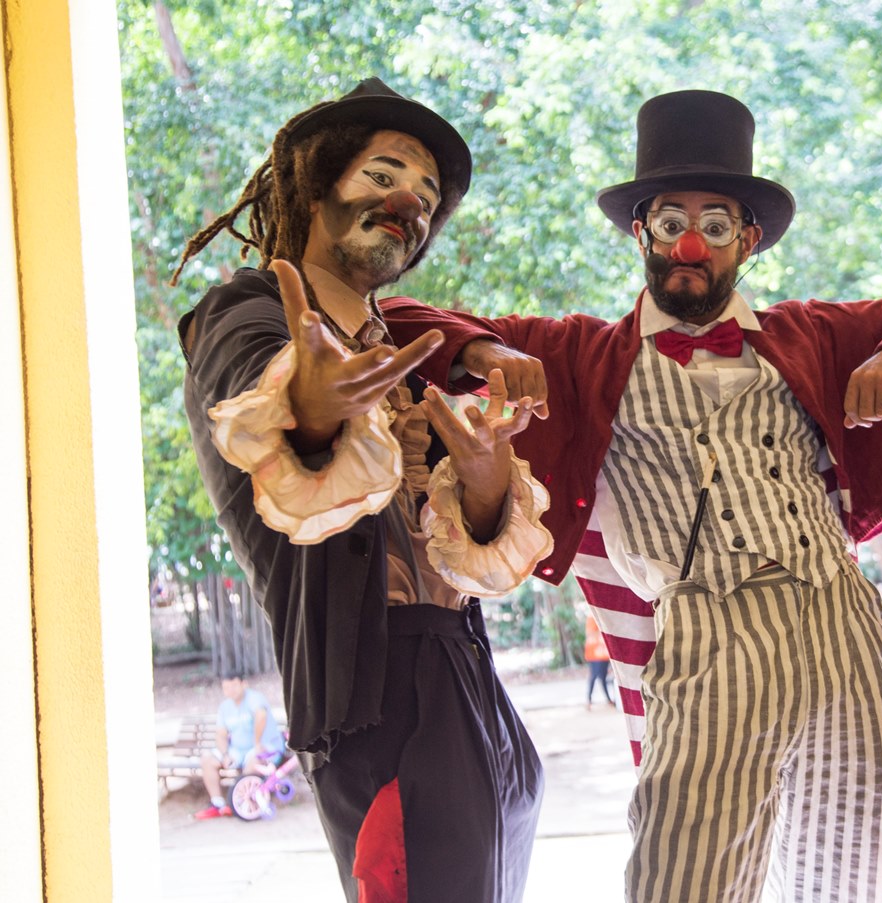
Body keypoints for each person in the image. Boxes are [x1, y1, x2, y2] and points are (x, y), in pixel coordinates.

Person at [382, 90, 882, 903]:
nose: (690, 242)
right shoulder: (578, 353)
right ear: (642, 232)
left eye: (716, 223)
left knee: (844, 878)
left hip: (842, 623)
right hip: (703, 632)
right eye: (670, 221)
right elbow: (395, 317)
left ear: (748, 239)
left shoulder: (816, 334)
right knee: (679, 881)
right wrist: (484, 347)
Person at [175, 78, 553, 903]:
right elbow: (266, 408)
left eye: (424, 194)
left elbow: (458, 547)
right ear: (317, 183)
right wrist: (310, 409)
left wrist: (484, 479)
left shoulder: (396, 350)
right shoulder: (246, 314)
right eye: (383, 175)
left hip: (466, 676)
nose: (408, 201)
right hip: (381, 697)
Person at [193, 671, 287, 820]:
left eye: (234, 686)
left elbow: (261, 717)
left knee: (254, 762)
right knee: (207, 760)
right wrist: (225, 754)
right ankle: (218, 804)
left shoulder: (255, 699)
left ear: (243, 684)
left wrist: (257, 744)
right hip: (237, 750)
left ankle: (244, 802)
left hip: (265, 747)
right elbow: (221, 734)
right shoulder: (225, 707)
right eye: (226, 687)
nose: (230, 690)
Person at [582, 613, 614, 708]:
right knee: (594, 676)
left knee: (603, 677)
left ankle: (607, 699)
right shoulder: (592, 617)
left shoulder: (601, 615)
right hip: (595, 654)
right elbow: (590, 633)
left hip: (603, 653)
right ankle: (589, 700)